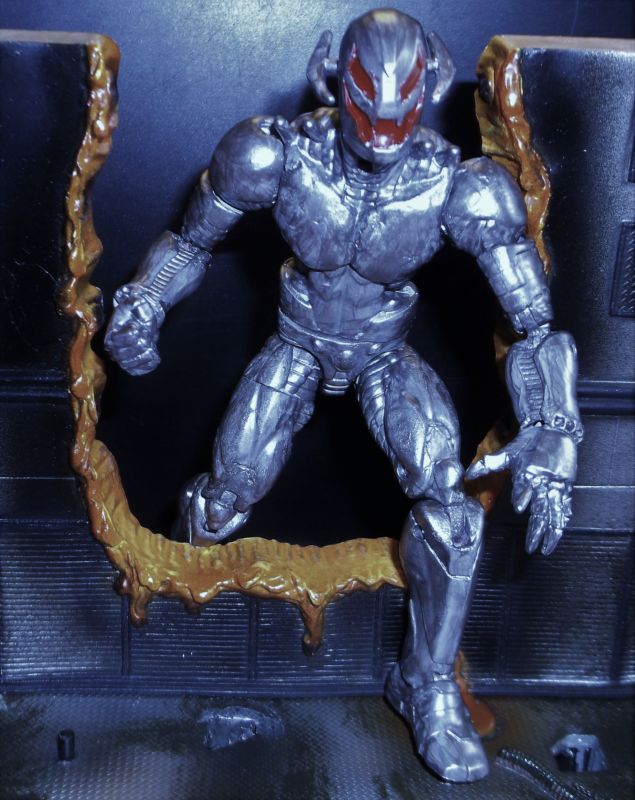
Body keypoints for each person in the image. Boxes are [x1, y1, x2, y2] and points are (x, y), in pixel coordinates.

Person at [105, 9, 582, 783]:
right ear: (330, 82)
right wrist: (144, 302)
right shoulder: (273, 155)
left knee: (449, 507)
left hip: (382, 355)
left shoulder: (461, 190)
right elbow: (189, 242)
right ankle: (168, 625)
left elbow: (534, 325)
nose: (382, 132)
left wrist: (553, 423)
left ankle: (425, 681)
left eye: (399, 114)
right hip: (296, 343)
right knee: (226, 494)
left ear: (427, 90)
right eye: (366, 110)